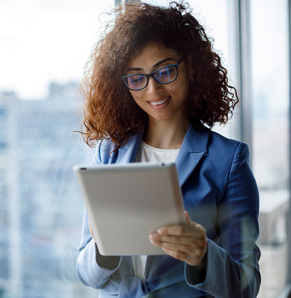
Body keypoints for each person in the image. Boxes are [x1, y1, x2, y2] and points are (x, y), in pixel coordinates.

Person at [76, 1, 261, 297]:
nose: (153, 90)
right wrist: (103, 248)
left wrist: (203, 255)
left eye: (165, 71)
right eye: (137, 78)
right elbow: (87, 274)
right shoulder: (110, 152)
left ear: (191, 68)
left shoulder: (229, 161)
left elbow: (247, 285)